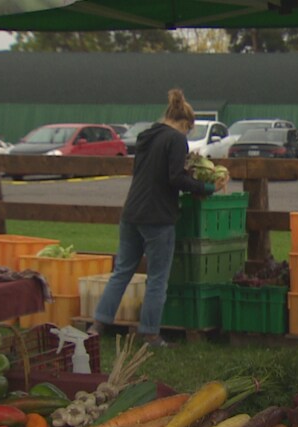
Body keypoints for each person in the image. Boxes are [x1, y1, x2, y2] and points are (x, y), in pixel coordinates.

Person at [89, 89, 227, 347]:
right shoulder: (175, 139)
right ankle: (150, 333)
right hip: (157, 216)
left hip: (131, 211)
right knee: (157, 278)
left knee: (121, 271)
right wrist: (208, 188)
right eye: (188, 130)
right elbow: (175, 177)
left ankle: (97, 325)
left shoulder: (145, 136)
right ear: (185, 124)